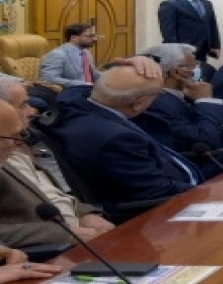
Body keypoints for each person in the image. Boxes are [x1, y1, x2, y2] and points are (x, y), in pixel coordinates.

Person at [39, 66, 202, 215]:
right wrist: (204, 192)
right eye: (159, 94)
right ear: (138, 103)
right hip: (155, 210)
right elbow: (157, 191)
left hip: (172, 176)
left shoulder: (76, 102)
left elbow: (76, 89)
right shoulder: (116, 139)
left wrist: (136, 64)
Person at [0, 81, 114, 247]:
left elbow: (52, 195)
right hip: (48, 250)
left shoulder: (19, 146)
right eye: (23, 105)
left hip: (82, 234)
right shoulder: (8, 148)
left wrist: (86, 214)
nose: (32, 111)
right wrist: (64, 234)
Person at [136, 43, 223, 179]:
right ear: (176, 72)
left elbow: (219, 120)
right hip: (205, 170)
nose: (198, 69)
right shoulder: (157, 103)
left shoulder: (183, 94)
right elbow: (205, 140)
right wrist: (206, 100)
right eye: (193, 66)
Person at [157, 0, 221, 62]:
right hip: (183, 51)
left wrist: (215, 45)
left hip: (203, 49)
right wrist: (177, 52)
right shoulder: (170, 5)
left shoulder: (207, 4)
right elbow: (168, 32)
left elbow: (213, 26)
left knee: (201, 71)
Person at [39, 23, 100, 87]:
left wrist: (107, 77)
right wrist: (82, 84)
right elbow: (49, 79)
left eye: (95, 36)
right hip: (71, 91)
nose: (95, 39)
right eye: (90, 36)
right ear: (73, 38)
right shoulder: (57, 54)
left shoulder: (86, 52)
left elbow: (93, 74)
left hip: (91, 90)